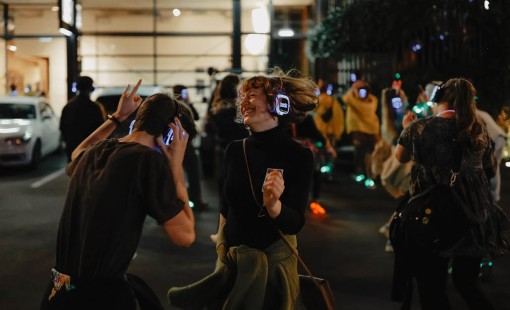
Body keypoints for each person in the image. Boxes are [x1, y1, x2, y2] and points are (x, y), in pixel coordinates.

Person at [167, 67, 318, 309]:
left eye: (251, 95)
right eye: (242, 96)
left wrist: (274, 206)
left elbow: (295, 222)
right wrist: (221, 243)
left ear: (277, 104)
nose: (243, 102)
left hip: (273, 273)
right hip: (232, 265)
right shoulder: (235, 150)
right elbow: (226, 206)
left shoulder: (299, 156)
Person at [41, 80, 196, 310]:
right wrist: (176, 170)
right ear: (171, 136)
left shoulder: (99, 150)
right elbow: (186, 236)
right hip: (98, 296)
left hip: (60, 290)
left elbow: (76, 154)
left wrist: (116, 117)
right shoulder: (147, 161)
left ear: (137, 120)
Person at [394, 78, 508, 309]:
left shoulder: (419, 128)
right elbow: (489, 168)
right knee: (466, 283)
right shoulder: (478, 129)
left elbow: (401, 157)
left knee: (432, 287)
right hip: (472, 213)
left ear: (438, 100)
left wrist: (407, 126)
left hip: (433, 214)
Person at [208, 74, 250, 206]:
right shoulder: (239, 110)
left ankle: (225, 217)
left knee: (223, 184)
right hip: (240, 150)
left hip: (222, 149)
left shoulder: (217, 108)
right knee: (240, 186)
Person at [173, 84, 208, 210]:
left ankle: (193, 200)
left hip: (179, 146)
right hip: (184, 145)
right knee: (192, 173)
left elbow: (196, 117)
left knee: (190, 173)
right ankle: (195, 201)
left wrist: (189, 102)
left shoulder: (181, 106)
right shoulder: (176, 107)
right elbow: (194, 120)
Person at [342, 79, 380, 189]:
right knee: (367, 153)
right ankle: (368, 175)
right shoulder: (373, 100)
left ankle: (363, 174)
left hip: (360, 131)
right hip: (371, 130)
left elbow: (346, 98)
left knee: (361, 153)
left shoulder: (354, 101)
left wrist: (353, 89)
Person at [60, 76, 105, 162]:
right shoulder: (94, 108)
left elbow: (62, 128)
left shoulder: (68, 107)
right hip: (90, 149)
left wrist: (68, 142)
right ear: (91, 89)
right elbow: (101, 129)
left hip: (72, 148)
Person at [313, 79, 344, 181]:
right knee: (330, 151)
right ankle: (329, 171)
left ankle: (320, 170)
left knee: (320, 151)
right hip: (331, 130)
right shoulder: (333, 101)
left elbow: (313, 110)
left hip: (320, 130)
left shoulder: (319, 100)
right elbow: (339, 116)